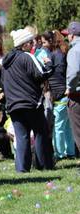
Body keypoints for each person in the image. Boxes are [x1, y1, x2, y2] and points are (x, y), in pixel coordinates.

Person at [2, 28, 54, 172]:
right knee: (40, 132)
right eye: (30, 42)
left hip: (13, 104)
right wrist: (48, 63)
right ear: (24, 44)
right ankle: (43, 165)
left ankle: (22, 169)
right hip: (31, 103)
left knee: (22, 136)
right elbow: (43, 73)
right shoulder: (27, 57)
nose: (33, 44)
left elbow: (3, 83)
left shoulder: (6, 61)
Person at [41, 30, 75, 160]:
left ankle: (60, 154)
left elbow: (58, 74)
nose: (43, 45)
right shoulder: (57, 53)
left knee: (59, 125)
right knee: (66, 125)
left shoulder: (57, 55)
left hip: (61, 94)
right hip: (63, 94)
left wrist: (47, 64)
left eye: (44, 42)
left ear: (51, 41)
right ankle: (70, 152)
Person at [65, 22, 80, 151]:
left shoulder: (74, 50)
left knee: (79, 132)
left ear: (72, 35)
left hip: (77, 97)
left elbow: (74, 73)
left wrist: (70, 88)